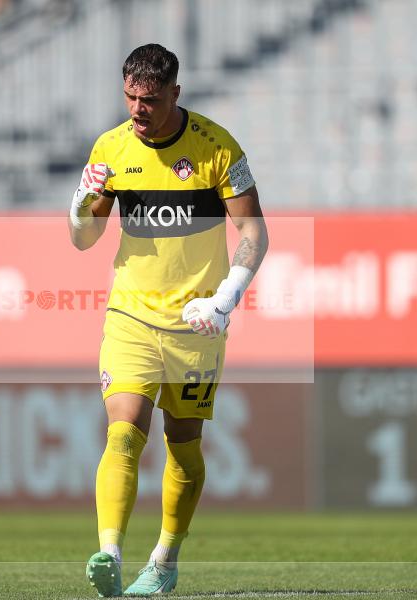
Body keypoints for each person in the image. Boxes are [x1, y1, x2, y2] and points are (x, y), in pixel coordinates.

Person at [68, 44, 269, 597]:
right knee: (124, 433)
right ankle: (108, 552)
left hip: (197, 324)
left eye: (150, 100)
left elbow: (255, 233)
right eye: (130, 96)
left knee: (182, 444)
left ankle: (164, 560)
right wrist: (80, 204)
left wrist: (224, 300)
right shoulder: (111, 147)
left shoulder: (217, 149)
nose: (137, 108)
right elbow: (85, 240)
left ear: (174, 94)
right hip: (131, 315)